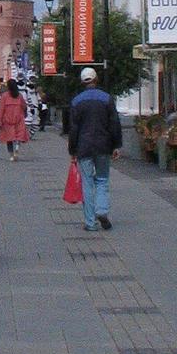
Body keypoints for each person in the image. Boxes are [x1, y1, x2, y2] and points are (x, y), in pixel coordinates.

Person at [68, 66, 122, 232]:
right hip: (103, 145)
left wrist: (73, 150)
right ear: (96, 79)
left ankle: (90, 222)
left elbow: (73, 128)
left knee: (87, 183)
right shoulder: (107, 99)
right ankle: (102, 210)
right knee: (102, 180)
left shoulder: (76, 101)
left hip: (84, 147)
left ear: (82, 82)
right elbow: (114, 124)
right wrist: (116, 145)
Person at [0, 79, 28, 160]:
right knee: (18, 135)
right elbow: (24, 106)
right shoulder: (19, 96)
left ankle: (11, 155)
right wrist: (25, 114)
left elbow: (1, 109)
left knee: (9, 138)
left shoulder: (4, 96)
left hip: (8, 119)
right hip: (19, 118)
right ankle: (17, 148)